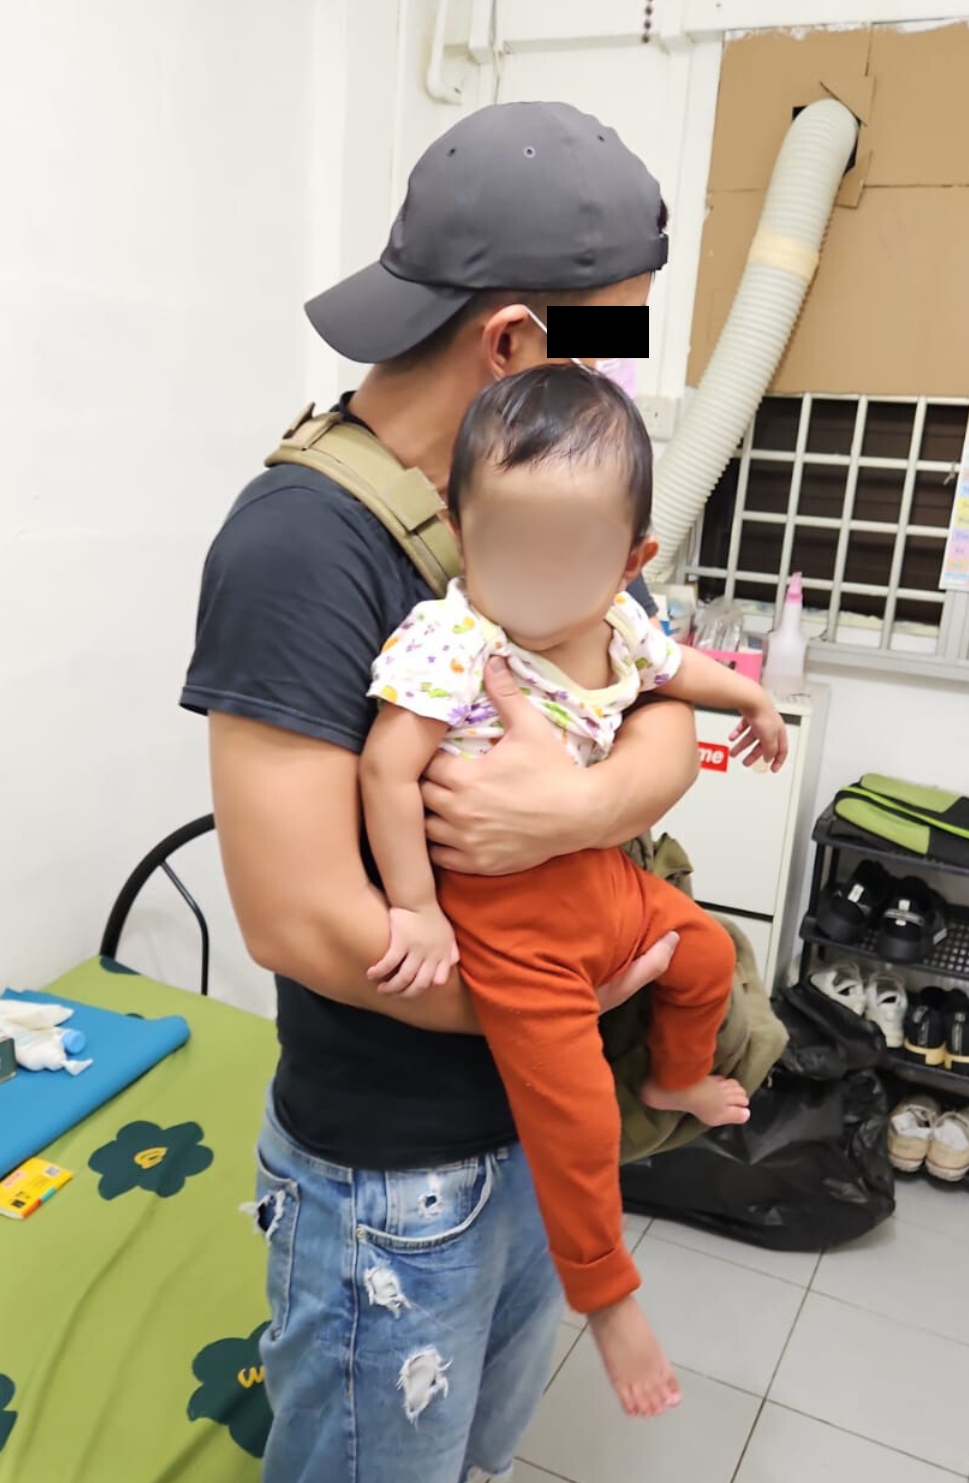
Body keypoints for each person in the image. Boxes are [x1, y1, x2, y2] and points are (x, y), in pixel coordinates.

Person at [182, 101, 700, 1483]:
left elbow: (661, 708)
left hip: (534, 1119)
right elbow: (299, 919)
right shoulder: (300, 546)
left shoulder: (556, 490)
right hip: (395, 1174)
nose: (621, 378)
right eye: (613, 337)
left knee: (472, 1453)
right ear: (512, 340)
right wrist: (564, 1003)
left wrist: (580, 814)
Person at [360, 363, 788, 1419]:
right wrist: (416, 906)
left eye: (573, 556)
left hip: (602, 875)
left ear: (631, 561)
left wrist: (753, 701)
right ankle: (605, 1295)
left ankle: (675, 1079)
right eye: (512, 550)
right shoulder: (459, 638)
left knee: (707, 955)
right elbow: (384, 767)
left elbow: (676, 671)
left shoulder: (619, 625)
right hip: (506, 920)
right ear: (461, 529)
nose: (539, 585)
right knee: (575, 1109)